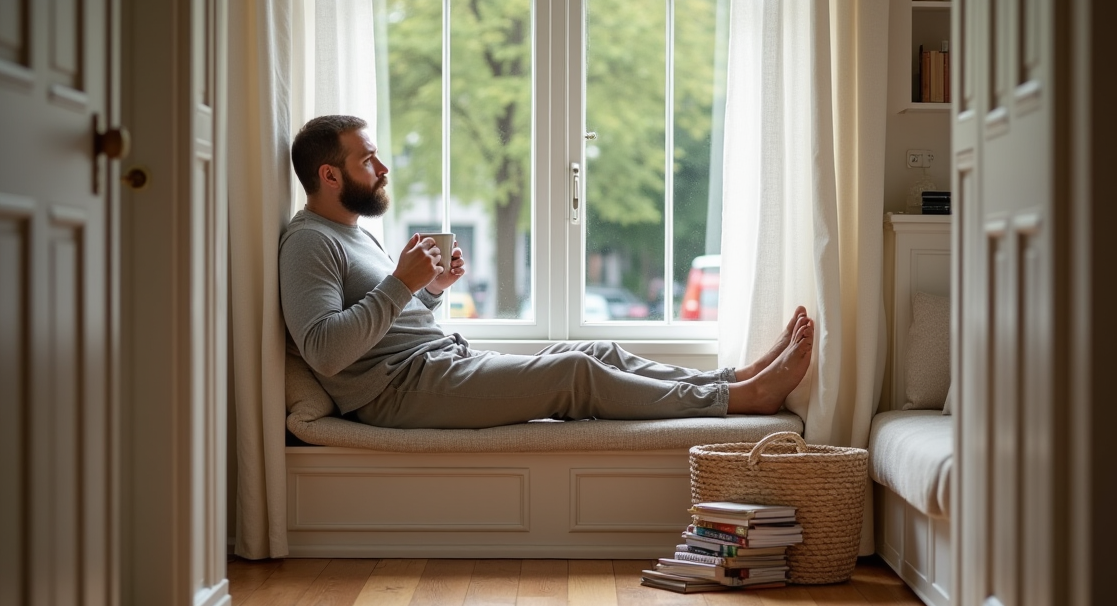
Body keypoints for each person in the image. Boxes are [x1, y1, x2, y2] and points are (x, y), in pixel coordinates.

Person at [279, 114, 813, 430]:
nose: (383, 168)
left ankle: (733, 379)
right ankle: (742, 401)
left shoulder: (352, 232)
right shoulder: (308, 243)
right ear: (330, 174)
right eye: (368, 160)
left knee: (594, 353)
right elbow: (325, 351)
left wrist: (430, 292)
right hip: (397, 392)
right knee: (572, 375)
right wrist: (401, 283)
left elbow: (382, 324)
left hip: (434, 363)